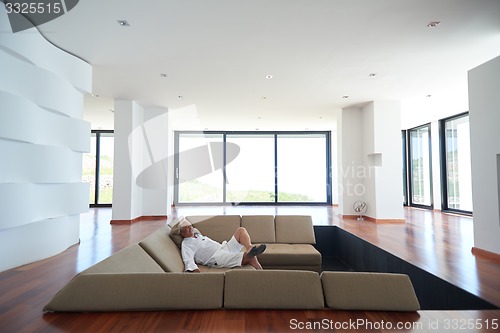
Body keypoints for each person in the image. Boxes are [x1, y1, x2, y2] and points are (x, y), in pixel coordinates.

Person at [173, 219, 266, 272]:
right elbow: (187, 259)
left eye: (190, 226)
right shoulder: (186, 244)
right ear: (181, 233)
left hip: (223, 247)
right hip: (217, 258)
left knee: (241, 231)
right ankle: (262, 276)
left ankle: (249, 247)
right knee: (250, 256)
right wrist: (194, 270)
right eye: (186, 228)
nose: (190, 228)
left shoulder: (197, 235)